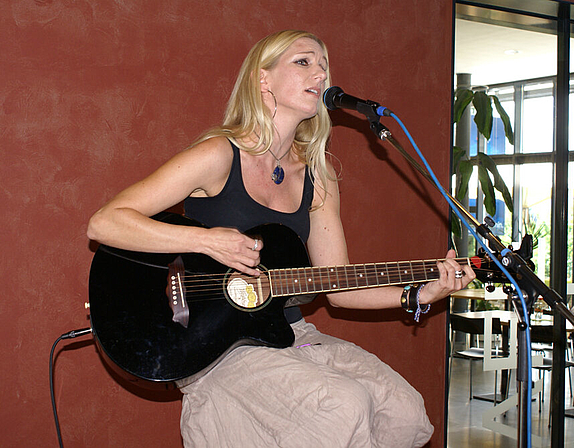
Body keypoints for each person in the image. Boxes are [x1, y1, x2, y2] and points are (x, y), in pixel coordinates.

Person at [87, 30, 476, 448]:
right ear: (263, 80)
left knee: (406, 412)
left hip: (288, 331)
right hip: (215, 344)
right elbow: (105, 223)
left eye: (324, 64)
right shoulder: (219, 154)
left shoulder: (318, 174)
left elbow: (337, 285)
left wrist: (417, 295)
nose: (321, 72)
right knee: (344, 407)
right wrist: (207, 242)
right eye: (304, 61)